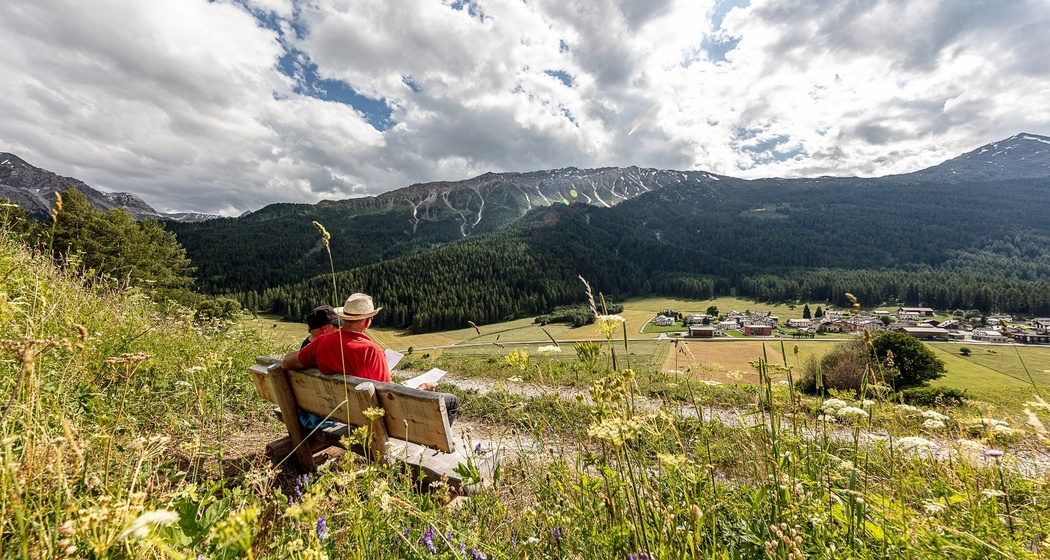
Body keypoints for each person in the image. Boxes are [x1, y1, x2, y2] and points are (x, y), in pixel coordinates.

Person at [281, 293, 459, 424]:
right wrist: (420, 390)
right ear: (367, 322)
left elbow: (286, 362)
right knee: (451, 401)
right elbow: (390, 401)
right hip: (366, 418)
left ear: (343, 318)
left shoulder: (321, 343)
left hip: (336, 411)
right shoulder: (372, 351)